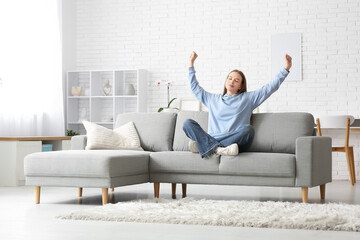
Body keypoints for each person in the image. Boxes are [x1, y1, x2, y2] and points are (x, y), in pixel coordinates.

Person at [183, 51, 292, 158]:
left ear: (240, 86)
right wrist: (191, 63)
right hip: (216, 139)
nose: (231, 81)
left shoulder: (248, 99)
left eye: (236, 80)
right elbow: (194, 88)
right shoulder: (213, 99)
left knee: (248, 130)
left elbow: (269, 88)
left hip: (235, 143)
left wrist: (286, 68)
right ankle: (218, 149)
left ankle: (205, 146)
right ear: (226, 81)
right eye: (229, 78)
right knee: (187, 123)